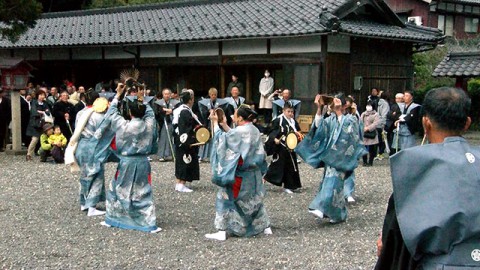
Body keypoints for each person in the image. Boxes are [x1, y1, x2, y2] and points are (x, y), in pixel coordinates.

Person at [375, 87, 480, 269]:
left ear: (426, 123)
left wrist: (385, 246)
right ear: (467, 123)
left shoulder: (417, 167)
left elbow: (395, 239)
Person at [99, 83, 161, 233]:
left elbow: (111, 114)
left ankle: (114, 218)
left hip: (126, 162)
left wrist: (118, 95)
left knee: (118, 188)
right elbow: (150, 114)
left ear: (129, 113)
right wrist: (142, 99)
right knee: (142, 191)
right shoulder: (149, 124)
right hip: (142, 162)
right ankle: (147, 222)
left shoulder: (123, 125)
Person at [297, 94, 366, 223]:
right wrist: (319, 108)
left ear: (345, 104)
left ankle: (321, 207)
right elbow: (318, 127)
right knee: (334, 187)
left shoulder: (350, 119)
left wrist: (339, 111)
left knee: (332, 184)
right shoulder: (331, 120)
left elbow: (351, 135)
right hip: (330, 158)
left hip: (341, 158)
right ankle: (338, 214)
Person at [205, 105, 272, 241]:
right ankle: (265, 227)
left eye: (235, 115)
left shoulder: (239, 131)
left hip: (239, 174)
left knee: (225, 198)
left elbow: (224, 140)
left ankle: (222, 230)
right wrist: (224, 125)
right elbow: (236, 138)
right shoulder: (254, 129)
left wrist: (215, 123)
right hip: (254, 173)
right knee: (255, 200)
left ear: (240, 118)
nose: (233, 117)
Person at [72, 90, 114, 217]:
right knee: (96, 175)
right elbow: (105, 132)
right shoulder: (99, 115)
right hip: (93, 146)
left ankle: (83, 202)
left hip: (81, 146)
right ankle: (92, 206)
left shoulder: (80, 113)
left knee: (84, 175)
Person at [263, 101, 302, 194]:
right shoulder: (278, 120)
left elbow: (298, 131)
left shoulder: (293, 121)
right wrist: (275, 138)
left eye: (292, 112)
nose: (290, 114)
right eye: (288, 111)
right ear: (283, 111)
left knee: (292, 166)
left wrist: (299, 136)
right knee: (278, 165)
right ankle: (267, 178)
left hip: (291, 146)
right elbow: (270, 131)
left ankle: (291, 185)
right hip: (281, 147)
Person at [172, 89, 200, 193]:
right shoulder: (185, 111)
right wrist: (190, 140)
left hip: (179, 139)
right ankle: (181, 183)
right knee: (185, 160)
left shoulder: (179, 109)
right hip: (185, 140)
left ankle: (179, 182)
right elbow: (186, 129)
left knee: (180, 161)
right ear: (190, 100)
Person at [26, 89, 52, 161]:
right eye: (40, 95)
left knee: (46, 139)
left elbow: (48, 112)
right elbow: (34, 112)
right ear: (37, 96)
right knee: (35, 139)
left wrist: (42, 112)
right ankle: (29, 154)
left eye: (43, 95)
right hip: (35, 123)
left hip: (44, 123)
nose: (42, 96)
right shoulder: (34, 102)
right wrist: (43, 112)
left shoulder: (45, 103)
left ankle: (45, 154)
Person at [154, 88, 179, 162]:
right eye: (165, 94)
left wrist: (170, 111)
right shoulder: (158, 103)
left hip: (172, 122)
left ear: (170, 94)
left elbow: (176, 110)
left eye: (168, 94)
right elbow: (157, 112)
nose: (167, 95)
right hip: (163, 123)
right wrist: (164, 112)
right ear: (163, 95)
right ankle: (162, 155)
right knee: (163, 138)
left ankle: (172, 154)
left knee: (173, 139)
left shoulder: (175, 102)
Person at [360, 101, 380, 166]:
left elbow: (376, 123)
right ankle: (364, 161)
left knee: (372, 148)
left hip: (372, 133)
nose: (368, 107)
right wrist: (363, 128)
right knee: (364, 148)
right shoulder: (363, 114)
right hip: (364, 133)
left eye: (370, 105)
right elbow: (360, 122)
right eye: (367, 105)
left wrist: (368, 128)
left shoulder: (376, 114)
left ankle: (370, 161)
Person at [375, 91, 390, 160]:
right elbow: (384, 114)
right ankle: (380, 153)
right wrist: (383, 123)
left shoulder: (379, 102)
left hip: (377, 122)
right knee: (384, 139)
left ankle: (378, 153)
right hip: (382, 123)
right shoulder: (385, 104)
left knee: (379, 139)